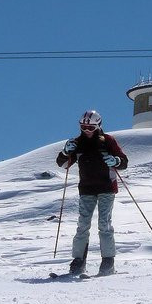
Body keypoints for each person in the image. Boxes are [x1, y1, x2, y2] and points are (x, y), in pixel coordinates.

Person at [55, 110, 128, 276]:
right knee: (82, 225)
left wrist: (116, 161)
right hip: (86, 189)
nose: (86, 130)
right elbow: (62, 164)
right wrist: (66, 152)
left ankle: (108, 261)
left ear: (98, 126)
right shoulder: (77, 143)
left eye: (90, 127)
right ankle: (78, 261)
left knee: (104, 224)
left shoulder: (107, 141)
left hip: (106, 188)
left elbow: (124, 162)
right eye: (83, 127)